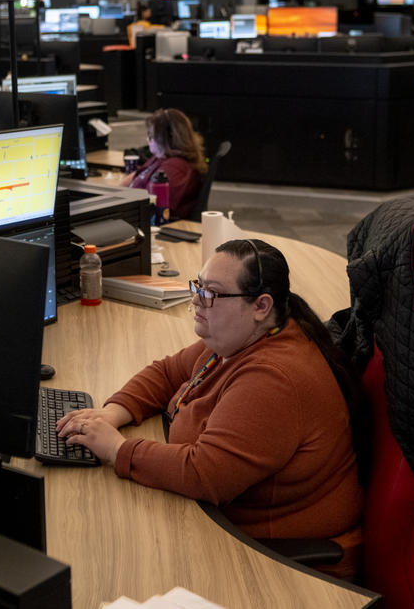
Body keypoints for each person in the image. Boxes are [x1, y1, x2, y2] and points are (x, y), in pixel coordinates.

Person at [56, 239, 365, 578]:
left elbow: (205, 474)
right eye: (198, 286)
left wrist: (117, 448)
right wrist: (115, 412)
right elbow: (168, 372)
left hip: (278, 562)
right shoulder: (241, 337)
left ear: (261, 305)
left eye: (212, 294)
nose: (197, 300)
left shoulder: (274, 380)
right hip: (222, 522)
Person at [122, 108, 206, 221]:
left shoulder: (175, 169)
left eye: (151, 136)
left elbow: (155, 210)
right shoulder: (162, 157)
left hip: (148, 222)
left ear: (164, 140)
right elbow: (137, 174)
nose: (147, 140)